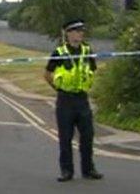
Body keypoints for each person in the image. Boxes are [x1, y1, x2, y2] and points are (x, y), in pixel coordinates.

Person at [43, 19, 103, 182]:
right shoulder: (59, 52)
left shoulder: (87, 50)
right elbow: (47, 74)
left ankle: (88, 169)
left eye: (81, 31)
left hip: (82, 99)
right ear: (68, 34)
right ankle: (66, 171)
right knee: (65, 137)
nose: (80, 34)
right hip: (65, 100)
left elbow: (92, 70)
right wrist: (58, 89)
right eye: (76, 31)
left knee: (87, 136)